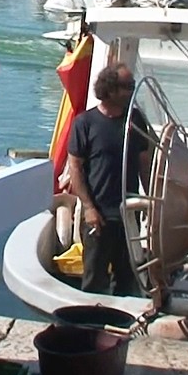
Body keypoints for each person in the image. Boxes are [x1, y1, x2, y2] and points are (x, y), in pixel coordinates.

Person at [66, 63, 151, 296]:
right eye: (127, 86)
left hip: (128, 212)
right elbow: (75, 167)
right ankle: (89, 326)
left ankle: (120, 327)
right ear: (110, 89)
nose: (132, 90)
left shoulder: (136, 120)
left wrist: (150, 199)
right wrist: (89, 208)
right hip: (99, 215)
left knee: (127, 277)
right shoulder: (85, 123)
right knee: (94, 278)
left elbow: (144, 162)